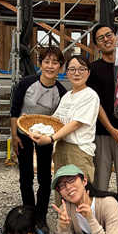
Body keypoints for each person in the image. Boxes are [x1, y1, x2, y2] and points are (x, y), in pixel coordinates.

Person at [86, 24, 118, 234]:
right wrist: (110, 128)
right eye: (101, 38)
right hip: (102, 132)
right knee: (100, 180)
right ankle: (100, 222)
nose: (106, 39)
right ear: (96, 45)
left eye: (109, 35)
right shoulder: (93, 69)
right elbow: (95, 103)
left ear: (116, 37)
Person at [9, 46, 67, 234]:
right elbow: (15, 109)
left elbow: (60, 120)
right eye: (46, 61)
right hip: (24, 133)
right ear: (40, 64)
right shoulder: (27, 83)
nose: (50, 66)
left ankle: (41, 215)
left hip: (45, 137)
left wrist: (54, 143)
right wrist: (14, 135)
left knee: (45, 177)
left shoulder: (61, 91)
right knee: (25, 176)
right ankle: (28, 213)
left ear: (60, 67)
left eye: (55, 63)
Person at [30, 55, 99, 192]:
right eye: (72, 69)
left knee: (78, 194)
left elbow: (75, 124)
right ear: (66, 73)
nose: (77, 73)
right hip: (62, 147)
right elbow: (55, 121)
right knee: (62, 191)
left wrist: (50, 139)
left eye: (81, 69)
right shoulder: (67, 96)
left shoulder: (90, 95)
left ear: (88, 72)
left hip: (78, 150)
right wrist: (35, 124)